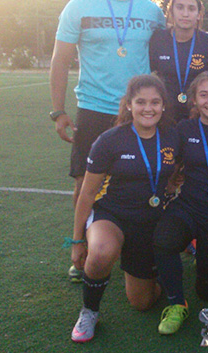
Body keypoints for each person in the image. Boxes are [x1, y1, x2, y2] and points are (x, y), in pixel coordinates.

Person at [49, 0, 165, 282]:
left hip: (139, 111)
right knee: (85, 182)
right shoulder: (78, 6)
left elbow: (163, 60)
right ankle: (81, 248)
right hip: (95, 108)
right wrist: (58, 110)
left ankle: (144, 244)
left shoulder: (151, 10)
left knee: (148, 178)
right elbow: (60, 60)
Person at [68, 75, 178, 342]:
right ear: (129, 105)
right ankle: (89, 311)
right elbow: (87, 193)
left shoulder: (174, 136)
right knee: (102, 252)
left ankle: (152, 276)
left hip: (149, 222)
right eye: (140, 102)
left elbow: (177, 173)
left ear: (164, 105)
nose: (148, 108)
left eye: (155, 102)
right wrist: (76, 241)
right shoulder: (109, 140)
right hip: (112, 216)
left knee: (142, 303)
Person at [152, 71, 208, 335]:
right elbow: (169, 163)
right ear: (193, 100)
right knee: (164, 239)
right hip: (189, 206)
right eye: (203, 95)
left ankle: (205, 257)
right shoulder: (183, 130)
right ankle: (177, 303)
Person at [150, 0, 208, 122]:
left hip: (198, 115)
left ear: (198, 14)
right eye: (180, 8)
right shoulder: (157, 39)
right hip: (164, 114)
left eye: (191, 9)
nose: (185, 14)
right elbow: (146, 70)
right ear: (171, 12)